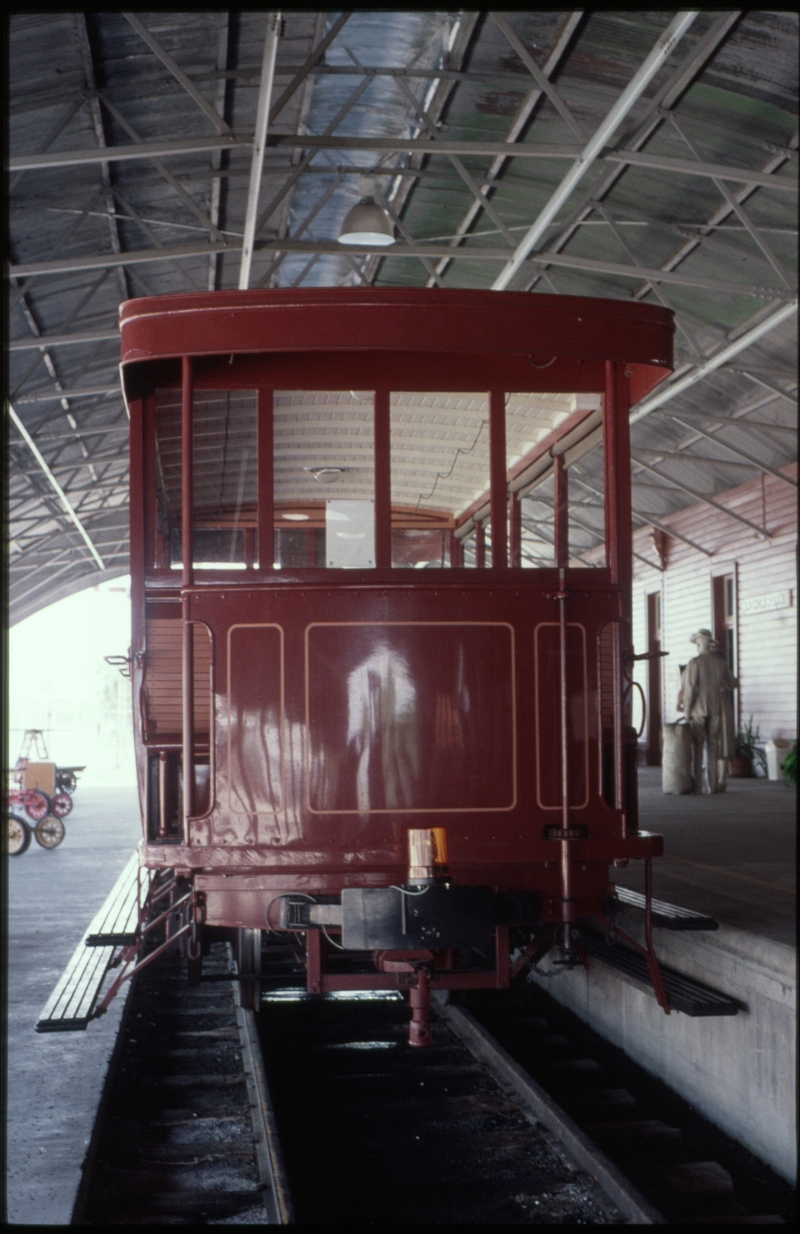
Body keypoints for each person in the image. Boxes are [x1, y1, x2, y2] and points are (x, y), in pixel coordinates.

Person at [681, 628, 736, 793]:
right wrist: (721, 687)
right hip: (716, 707)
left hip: (698, 708)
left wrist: (687, 709)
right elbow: (733, 683)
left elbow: (690, 689)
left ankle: (697, 785)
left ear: (698, 644)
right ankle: (712, 785)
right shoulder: (721, 662)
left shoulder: (695, 663)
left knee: (697, 746)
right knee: (713, 745)